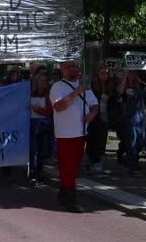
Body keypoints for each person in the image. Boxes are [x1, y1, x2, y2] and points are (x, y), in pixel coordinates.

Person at [49, 61, 99, 213]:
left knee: (73, 167)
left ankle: (64, 194)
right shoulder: (57, 87)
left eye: (75, 66)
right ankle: (71, 200)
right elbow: (59, 107)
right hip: (65, 134)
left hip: (80, 132)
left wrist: (92, 114)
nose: (72, 69)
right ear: (63, 69)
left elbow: (94, 104)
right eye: (69, 66)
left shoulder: (84, 87)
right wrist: (76, 92)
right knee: (67, 167)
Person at [117, 68, 146, 177]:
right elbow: (120, 91)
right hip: (128, 120)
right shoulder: (123, 85)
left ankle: (127, 158)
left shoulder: (140, 85)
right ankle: (132, 168)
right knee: (132, 145)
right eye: (131, 72)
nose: (133, 74)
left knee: (140, 143)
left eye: (134, 72)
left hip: (140, 119)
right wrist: (125, 75)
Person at [86, 66, 113, 173]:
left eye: (106, 73)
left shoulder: (109, 86)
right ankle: (91, 162)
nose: (104, 75)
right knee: (92, 139)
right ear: (98, 74)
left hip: (104, 115)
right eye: (102, 73)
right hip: (94, 115)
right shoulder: (92, 86)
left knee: (101, 140)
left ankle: (97, 162)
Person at [29, 73, 53, 186]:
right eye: (41, 81)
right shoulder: (30, 94)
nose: (43, 83)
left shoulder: (48, 95)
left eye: (45, 81)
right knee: (32, 150)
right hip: (32, 126)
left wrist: (36, 109)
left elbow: (49, 111)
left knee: (41, 151)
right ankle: (33, 173)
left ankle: (39, 173)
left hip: (43, 126)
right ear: (36, 82)